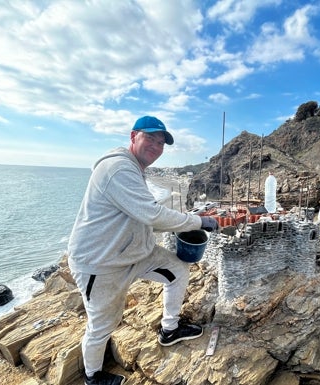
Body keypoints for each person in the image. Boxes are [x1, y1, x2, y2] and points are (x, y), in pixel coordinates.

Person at [67, 116, 219, 385]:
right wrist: (199, 222)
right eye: (151, 138)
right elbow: (151, 214)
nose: (157, 146)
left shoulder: (136, 170)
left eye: (161, 142)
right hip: (100, 264)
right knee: (103, 325)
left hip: (136, 254)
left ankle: (170, 329)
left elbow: (142, 217)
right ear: (133, 136)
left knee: (177, 271)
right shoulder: (118, 169)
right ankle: (93, 376)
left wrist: (183, 222)